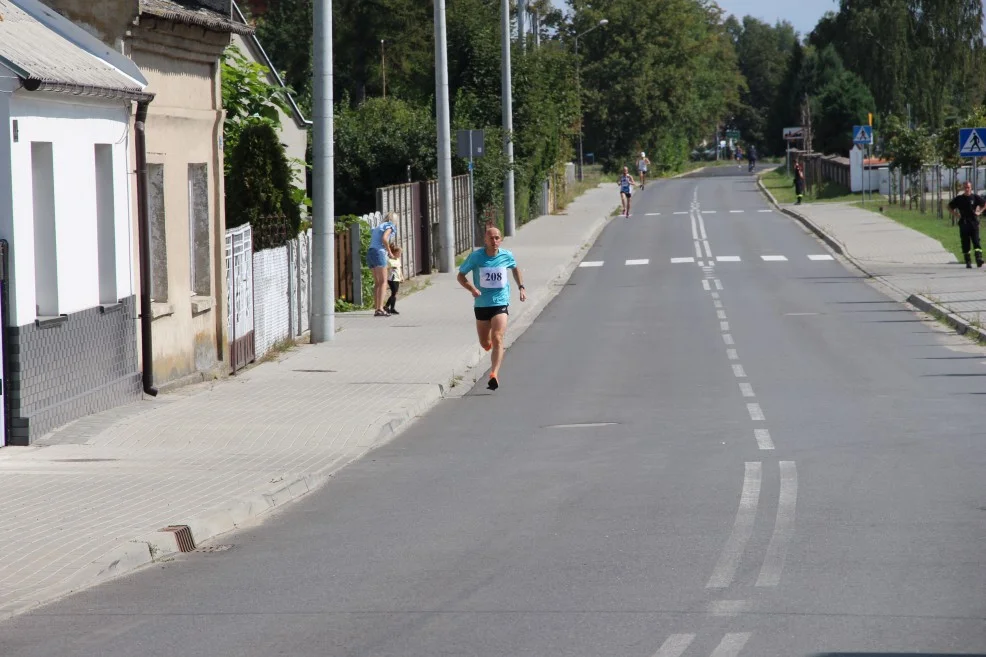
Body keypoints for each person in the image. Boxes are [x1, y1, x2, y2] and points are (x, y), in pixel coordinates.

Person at [456, 226, 527, 391]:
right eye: (491, 238)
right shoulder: (476, 257)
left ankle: (494, 374)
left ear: (500, 239)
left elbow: (515, 268)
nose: (494, 241)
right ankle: (493, 349)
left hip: (500, 303)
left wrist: (521, 287)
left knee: (497, 337)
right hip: (481, 304)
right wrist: (472, 289)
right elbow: (460, 276)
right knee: (485, 342)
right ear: (485, 240)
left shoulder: (506, 255)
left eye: (497, 238)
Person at [366, 212, 398, 316]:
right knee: (384, 281)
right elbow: (384, 238)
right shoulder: (390, 226)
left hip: (370, 252)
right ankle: (380, 309)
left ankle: (377, 308)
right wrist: (390, 252)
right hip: (379, 253)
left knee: (377, 283)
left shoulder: (378, 227)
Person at [948, 181, 985, 268]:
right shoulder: (959, 198)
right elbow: (949, 207)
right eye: (965, 187)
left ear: (971, 188)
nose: (967, 189)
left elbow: (984, 204)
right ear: (963, 188)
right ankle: (968, 261)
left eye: (968, 187)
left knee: (976, 241)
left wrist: (979, 211)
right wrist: (956, 215)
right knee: (965, 242)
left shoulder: (975, 197)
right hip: (964, 223)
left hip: (973, 222)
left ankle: (978, 258)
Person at [384, 245, 403, 315]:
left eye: (400, 253)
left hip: (397, 278)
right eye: (399, 253)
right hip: (391, 279)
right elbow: (386, 269)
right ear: (394, 253)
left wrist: (402, 276)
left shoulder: (398, 260)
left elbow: (399, 269)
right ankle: (388, 307)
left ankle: (390, 308)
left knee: (395, 293)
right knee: (394, 293)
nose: (400, 254)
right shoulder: (389, 260)